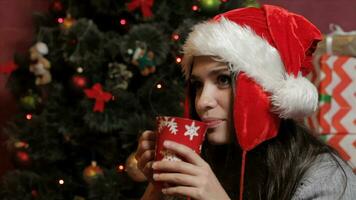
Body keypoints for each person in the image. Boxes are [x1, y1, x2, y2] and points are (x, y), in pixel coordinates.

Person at [135, 4, 356, 200]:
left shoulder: (324, 177)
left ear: (264, 89)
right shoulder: (205, 160)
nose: (202, 102)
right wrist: (158, 186)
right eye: (198, 85)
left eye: (223, 80)